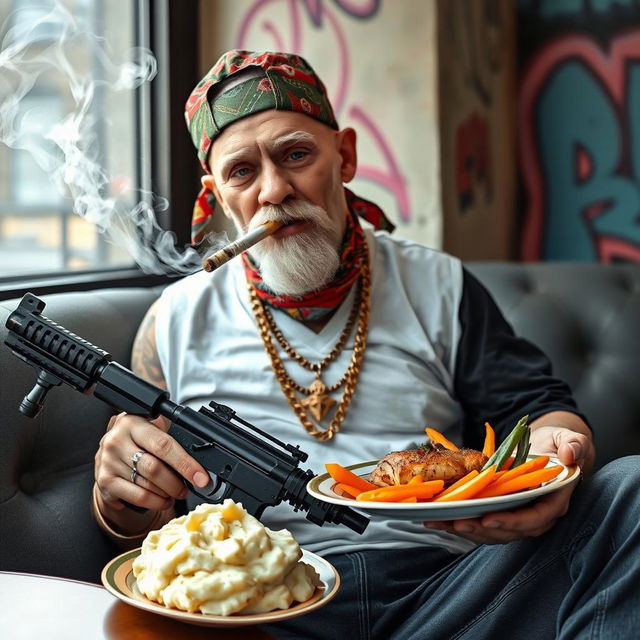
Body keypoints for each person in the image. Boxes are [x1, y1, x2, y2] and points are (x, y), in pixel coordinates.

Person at [92, 50, 639, 639]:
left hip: (447, 599)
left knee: (630, 486)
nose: (274, 190)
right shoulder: (173, 320)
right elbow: (140, 514)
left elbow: (537, 411)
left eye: (296, 154)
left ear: (345, 156)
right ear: (219, 194)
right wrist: (121, 498)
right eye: (242, 172)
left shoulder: (437, 284)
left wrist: (560, 456)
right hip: (264, 608)